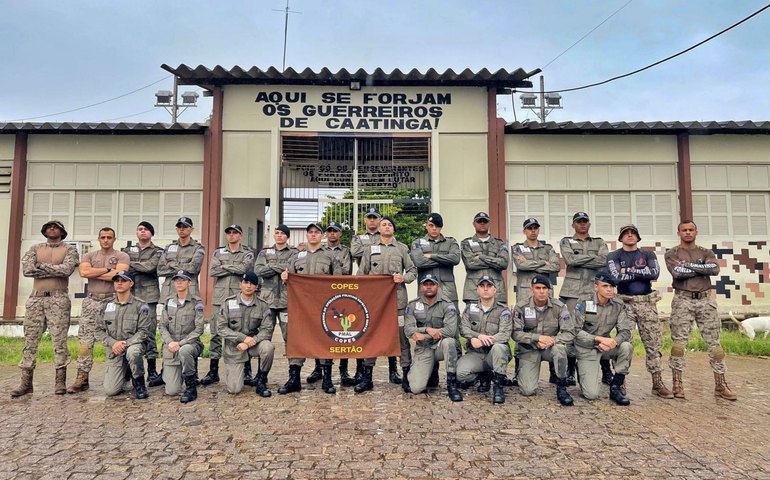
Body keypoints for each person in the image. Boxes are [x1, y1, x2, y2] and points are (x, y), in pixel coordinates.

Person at [664, 220, 737, 401]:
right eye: (684, 230)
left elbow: (714, 269)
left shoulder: (706, 252)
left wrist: (688, 266)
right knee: (679, 345)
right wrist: (701, 269)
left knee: (716, 346)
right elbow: (677, 273)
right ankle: (677, 384)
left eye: (691, 230)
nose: (688, 233)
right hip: (683, 300)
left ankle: (721, 385)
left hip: (705, 301)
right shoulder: (672, 253)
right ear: (678, 232)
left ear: (696, 232)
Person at [12, 220, 79, 398]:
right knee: (30, 341)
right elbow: (27, 270)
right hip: (36, 299)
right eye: (49, 227)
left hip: (58, 298)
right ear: (44, 231)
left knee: (59, 342)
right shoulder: (35, 248)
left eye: (55, 227)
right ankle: (26, 383)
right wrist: (52, 269)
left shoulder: (69, 249)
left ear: (62, 231)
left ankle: (60, 382)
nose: (52, 229)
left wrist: (41, 266)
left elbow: (66, 270)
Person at [607, 224, 673, 399]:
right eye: (626, 234)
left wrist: (628, 270)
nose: (629, 236)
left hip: (646, 303)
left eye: (633, 233)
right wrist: (640, 272)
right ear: (620, 238)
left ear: (638, 237)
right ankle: (620, 383)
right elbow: (615, 278)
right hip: (624, 305)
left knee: (653, 344)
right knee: (623, 345)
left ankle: (657, 383)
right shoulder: (614, 256)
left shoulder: (648, 255)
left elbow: (654, 274)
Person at [278, 222, 340, 395]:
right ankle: (294, 378)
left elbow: (338, 281)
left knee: (324, 339)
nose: (313, 235)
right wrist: (285, 277)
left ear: (322, 236)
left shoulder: (330, 256)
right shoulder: (297, 257)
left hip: (323, 305)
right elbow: (289, 278)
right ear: (307, 235)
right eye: (310, 232)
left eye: (317, 232)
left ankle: (327, 379)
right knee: (297, 339)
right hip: (301, 306)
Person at [357, 216, 417, 393]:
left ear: (393, 229)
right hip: (375, 303)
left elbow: (413, 271)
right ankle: (367, 377)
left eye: (390, 224)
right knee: (371, 337)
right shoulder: (369, 249)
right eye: (383, 224)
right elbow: (362, 274)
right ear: (379, 229)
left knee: (401, 337)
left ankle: (406, 374)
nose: (386, 226)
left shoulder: (402, 249)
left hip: (397, 301)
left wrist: (403, 278)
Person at [68, 227, 130, 394]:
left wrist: (95, 273)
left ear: (114, 239)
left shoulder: (122, 256)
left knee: (116, 338)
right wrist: (109, 270)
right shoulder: (89, 256)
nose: (106, 240)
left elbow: (119, 275)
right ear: (98, 239)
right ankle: (82, 378)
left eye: (109, 237)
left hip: (112, 301)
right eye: (102, 237)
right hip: (92, 301)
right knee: (85, 342)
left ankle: (120, 376)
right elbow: (83, 272)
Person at [350, 208, 400, 386]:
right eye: (369, 218)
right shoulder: (362, 241)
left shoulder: (400, 247)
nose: (372, 221)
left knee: (394, 333)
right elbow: (357, 258)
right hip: (372, 296)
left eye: (376, 218)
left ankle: (394, 371)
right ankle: (364, 374)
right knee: (368, 332)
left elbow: (410, 269)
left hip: (394, 296)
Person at [201, 224, 255, 387]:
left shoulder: (247, 253)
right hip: (219, 298)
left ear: (240, 235)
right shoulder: (218, 252)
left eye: (235, 233)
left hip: (237, 297)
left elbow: (245, 269)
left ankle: (246, 370)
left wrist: (224, 266)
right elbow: (212, 271)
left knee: (241, 332)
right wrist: (233, 269)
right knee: (216, 334)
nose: (231, 235)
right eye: (229, 233)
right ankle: (213, 370)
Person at [558, 212, 608, 386]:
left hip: (593, 291)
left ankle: (605, 368)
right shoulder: (566, 241)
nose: (582, 225)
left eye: (585, 222)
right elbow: (570, 260)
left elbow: (604, 260)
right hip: (572, 292)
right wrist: (592, 259)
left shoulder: (599, 242)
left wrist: (581, 260)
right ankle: (571, 369)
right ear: (573, 225)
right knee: (572, 330)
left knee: (596, 327)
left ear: (589, 224)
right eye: (579, 222)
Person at [513, 275, 575, 406]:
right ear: (532, 290)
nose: (541, 291)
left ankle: (561, 387)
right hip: (529, 349)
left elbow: (569, 333)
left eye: (545, 288)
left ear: (549, 290)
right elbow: (516, 334)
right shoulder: (521, 307)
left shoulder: (560, 307)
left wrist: (551, 340)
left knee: (560, 349)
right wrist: (537, 338)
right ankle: (520, 372)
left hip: (549, 348)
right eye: (538, 288)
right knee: (528, 390)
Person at [573, 272, 633, 406]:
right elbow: (575, 331)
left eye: (612, 286)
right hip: (587, 348)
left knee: (626, 347)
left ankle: (615, 387)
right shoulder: (584, 302)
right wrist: (599, 339)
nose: (609, 289)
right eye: (605, 286)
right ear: (596, 287)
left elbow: (625, 331)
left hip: (606, 347)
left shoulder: (618, 305)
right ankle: (581, 368)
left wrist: (613, 342)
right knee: (591, 395)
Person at [403, 274, 463, 402]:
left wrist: (422, 334)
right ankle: (430, 369)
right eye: (426, 284)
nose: (429, 287)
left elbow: (450, 331)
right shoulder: (412, 305)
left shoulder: (448, 305)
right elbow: (408, 330)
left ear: (438, 286)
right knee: (416, 388)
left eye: (432, 284)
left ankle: (452, 385)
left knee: (449, 342)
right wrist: (427, 329)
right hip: (425, 348)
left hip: (441, 346)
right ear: (421, 287)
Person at [94, 271, 151, 399]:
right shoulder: (106, 305)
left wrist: (125, 344)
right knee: (111, 391)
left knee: (133, 352)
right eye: (116, 281)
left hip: (133, 345)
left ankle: (139, 382)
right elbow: (98, 330)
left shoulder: (140, 305)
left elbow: (144, 331)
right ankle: (126, 373)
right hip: (115, 349)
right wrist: (113, 343)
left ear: (131, 283)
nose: (119, 283)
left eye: (123, 281)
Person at [217, 272, 275, 397]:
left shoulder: (263, 305)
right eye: (246, 283)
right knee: (234, 389)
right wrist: (243, 339)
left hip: (253, 344)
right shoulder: (228, 303)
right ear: (240, 284)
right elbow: (221, 328)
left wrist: (252, 341)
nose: (248, 286)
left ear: (256, 287)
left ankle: (261, 380)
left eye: (252, 283)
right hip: (235, 348)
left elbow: (267, 329)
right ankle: (242, 372)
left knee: (268, 347)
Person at [122, 221, 165, 388]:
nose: (142, 232)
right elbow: (121, 268)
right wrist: (131, 266)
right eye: (139, 229)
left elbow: (150, 267)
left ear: (151, 233)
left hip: (149, 296)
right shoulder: (127, 250)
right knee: (129, 330)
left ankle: (152, 369)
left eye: (146, 229)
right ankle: (129, 369)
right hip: (130, 295)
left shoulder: (158, 251)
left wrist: (130, 265)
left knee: (149, 332)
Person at [456, 276, 512, 404]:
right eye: (482, 286)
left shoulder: (503, 310)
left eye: (489, 286)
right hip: (476, 354)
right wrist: (477, 336)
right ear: (477, 290)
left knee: (499, 347)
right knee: (459, 374)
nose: (485, 289)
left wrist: (482, 340)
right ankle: (484, 375)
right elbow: (463, 328)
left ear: (495, 290)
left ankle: (498, 387)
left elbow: (505, 334)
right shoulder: (470, 308)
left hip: (495, 354)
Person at [254, 224, 297, 385]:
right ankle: (261, 375)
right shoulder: (264, 252)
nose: (279, 236)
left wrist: (270, 267)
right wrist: (280, 268)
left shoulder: (294, 253)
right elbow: (258, 271)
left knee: (290, 337)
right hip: (267, 301)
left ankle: (293, 375)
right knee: (264, 338)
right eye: (277, 233)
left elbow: (294, 270)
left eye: (282, 234)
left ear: (287, 236)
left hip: (287, 301)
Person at [158, 270, 205, 403]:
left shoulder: (197, 304)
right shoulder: (168, 302)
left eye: (183, 279)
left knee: (185, 350)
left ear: (189, 282)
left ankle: (191, 387)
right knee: (172, 391)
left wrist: (181, 343)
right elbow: (162, 326)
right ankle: (177, 374)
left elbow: (199, 329)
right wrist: (170, 342)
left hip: (190, 345)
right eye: (176, 280)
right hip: (171, 347)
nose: (179, 282)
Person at [323, 222, 360, 386]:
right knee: (323, 332)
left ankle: (343, 370)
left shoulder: (346, 251)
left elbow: (345, 271)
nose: (332, 234)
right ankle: (321, 368)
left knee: (343, 331)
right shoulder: (320, 251)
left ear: (340, 234)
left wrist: (330, 270)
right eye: (329, 231)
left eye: (335, 231)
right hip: (323, 295)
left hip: (341, 294)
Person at [410, 212, 461, 306]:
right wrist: (445, 261)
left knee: (452, 319)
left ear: (441, 227)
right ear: (426, 226)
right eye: (431, 225)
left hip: (448, 292)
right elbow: (419, 262)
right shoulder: (417, 243)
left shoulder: (451, 242)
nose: (434, 228)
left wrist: (432, 256)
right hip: (426, 292)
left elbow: (455, 259)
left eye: (437, 226)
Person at [460, 211, 509, 306]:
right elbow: (470, 263)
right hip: (473, 292)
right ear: (474, 224)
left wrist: (481, 257)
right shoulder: (466, 243)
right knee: (474, 320)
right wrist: (494, 262)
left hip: (497, 292)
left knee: (496, 319)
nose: (482, 223)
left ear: (489, 224)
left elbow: (503, 263)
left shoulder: (500, 244)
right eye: (479, 221)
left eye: (485, 221)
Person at [157, 216, 206, 304]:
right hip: (169, 291)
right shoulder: (169, 247)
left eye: (185, 227)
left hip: (189, 291)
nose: (181, 229)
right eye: (179, 227)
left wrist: (172, 264)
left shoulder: (198, 248)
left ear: (191, 229)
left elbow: (193, 268)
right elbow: (160, 270)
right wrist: (184, 267)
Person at [512, 217, 560, 304]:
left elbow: (555, 267)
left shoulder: (548, 248)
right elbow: (521, 265)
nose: (533, 231)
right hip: (525, 291)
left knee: (547, 316)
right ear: (524, 231)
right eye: (530, 228)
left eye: (535, 228)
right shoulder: (517, 248)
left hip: (544, 291)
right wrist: (543, 263)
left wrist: (529, 265)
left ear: (538, 230)